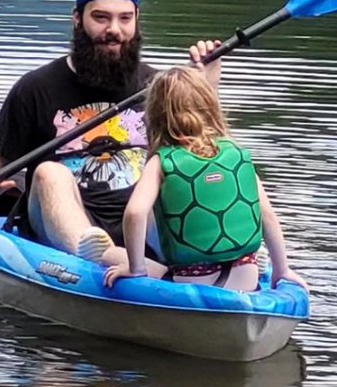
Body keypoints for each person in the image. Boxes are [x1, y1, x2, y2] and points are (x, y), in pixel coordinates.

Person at [0, 0, 220, 266]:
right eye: (101, 17)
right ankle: (98, 257)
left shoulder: (159, 87)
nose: (114, 30)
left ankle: (201, 257)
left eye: (125, 18)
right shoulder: (36, 88)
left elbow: (202, 155)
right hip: (66, 225)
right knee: (49, 173)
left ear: (137, 20)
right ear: (77, 19)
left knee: (172, 169)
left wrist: (206, 90)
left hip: (142, 223)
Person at [101, 66, 309, 293]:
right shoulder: (235, 154)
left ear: (155, 116)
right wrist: (282, 270)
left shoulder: (161, 161)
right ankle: (254, 259)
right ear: (211, 109)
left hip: (188, 283)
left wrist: (136, 269)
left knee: (110, 255)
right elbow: (266, 215)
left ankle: (108, 252)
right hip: (246, 280)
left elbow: (134, 213)